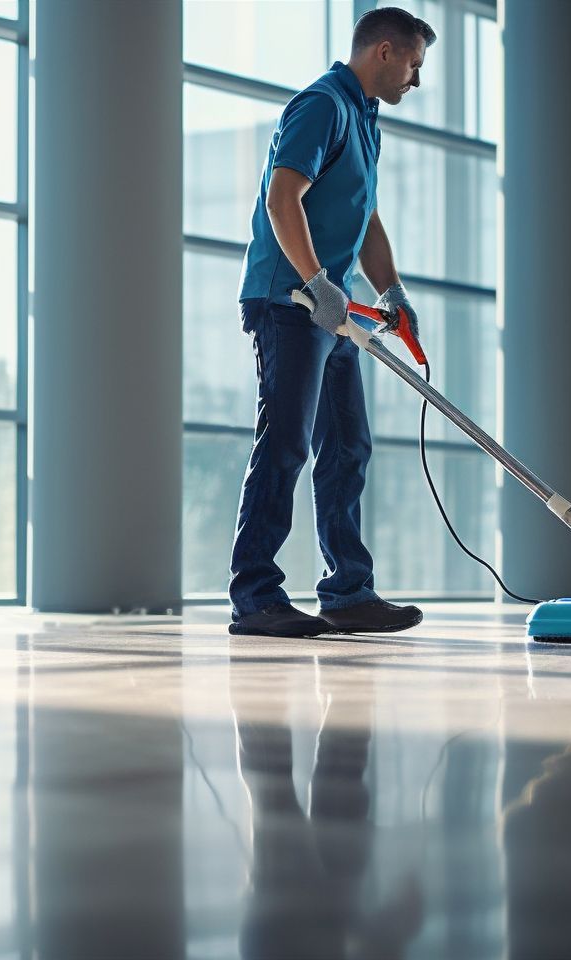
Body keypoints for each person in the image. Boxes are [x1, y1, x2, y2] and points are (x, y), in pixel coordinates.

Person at [228, 7, 437, 638]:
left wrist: (391, 290)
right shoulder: (320, 105)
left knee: (347, 447)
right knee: (287, 442)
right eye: (413, 65)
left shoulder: (365, 118)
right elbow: (281, 195)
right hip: (290, 304)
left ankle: (348, 593)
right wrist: (317, 284)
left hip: (334, 308)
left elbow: (365, 218)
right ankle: (255, 596)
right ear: (383, 51)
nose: (415, 81)